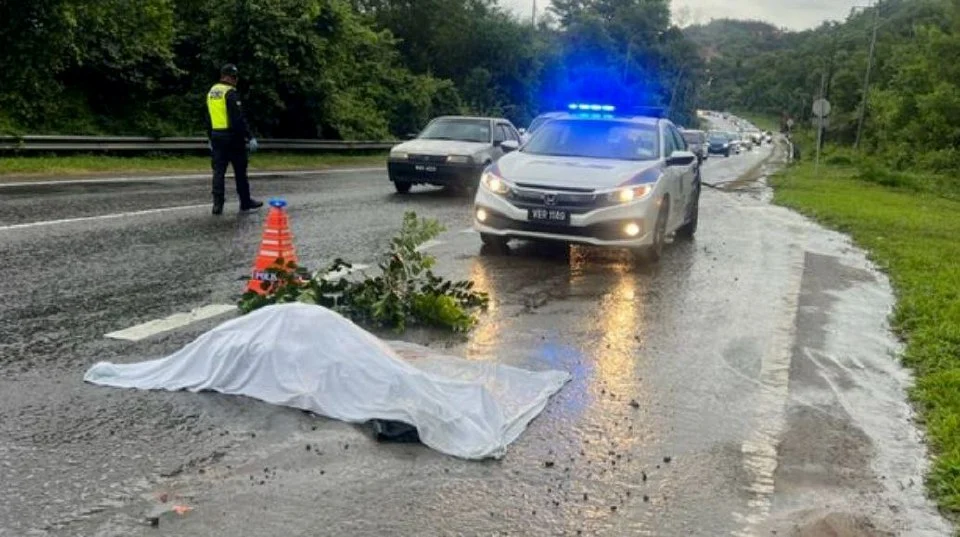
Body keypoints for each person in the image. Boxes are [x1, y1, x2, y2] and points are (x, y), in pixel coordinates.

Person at [206, 64, 262, 215]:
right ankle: (245, 202)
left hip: (217, 135)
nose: (236, 80)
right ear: (228, 77)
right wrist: (249, 137)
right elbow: (238, 119)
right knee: (240, 171)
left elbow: (208, 117)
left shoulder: (212, 92)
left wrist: (210, 136)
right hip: (232, 137)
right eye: (234, 77)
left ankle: (217, 205)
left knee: (218, 172)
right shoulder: (230, 93)